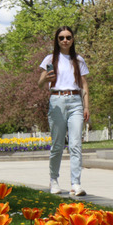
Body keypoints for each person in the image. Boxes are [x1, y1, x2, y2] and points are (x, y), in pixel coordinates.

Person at [38, 26, 90, 196]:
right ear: (57, 40)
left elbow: (84, 85)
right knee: (58, 145)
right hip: (57, 101)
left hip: (75, 102)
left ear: (73, 39)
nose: (65, 40)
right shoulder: (50, 58)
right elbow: (40, 84)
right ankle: (54, 180)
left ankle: (76, 184)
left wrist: (86, 106)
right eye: (61, 38)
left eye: (68, 37)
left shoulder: (78, 60)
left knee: (76, 144)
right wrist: (46, 78)